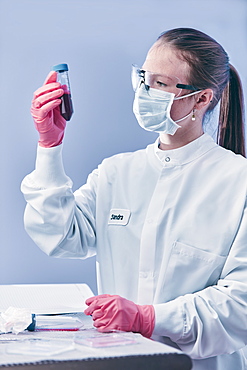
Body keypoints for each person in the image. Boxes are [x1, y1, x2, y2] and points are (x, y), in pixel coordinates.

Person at [21, 28, 247, 369]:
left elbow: (240, 305)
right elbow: (59, 236)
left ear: (202, 99)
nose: (144, 91)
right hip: (120, 360)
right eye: (142, 78)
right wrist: (49, 148)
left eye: (159, 83)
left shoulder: (237, 183)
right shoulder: (117, 172)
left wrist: (149, 318)